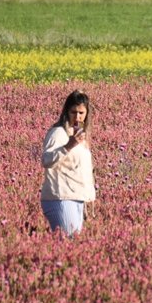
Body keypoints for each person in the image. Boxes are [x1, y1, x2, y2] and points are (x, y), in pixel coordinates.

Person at [39, 90, 96, 236]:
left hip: (76, 198)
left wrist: (85, 200)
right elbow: (46, 160)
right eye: (73, 112)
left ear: (87, 114)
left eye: (81, 113)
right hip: (60, 197)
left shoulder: (82, 138)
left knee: (72, 243)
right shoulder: (58, 133)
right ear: (66, 111)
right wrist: (68, 146)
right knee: (67, 240)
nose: (77, 117)